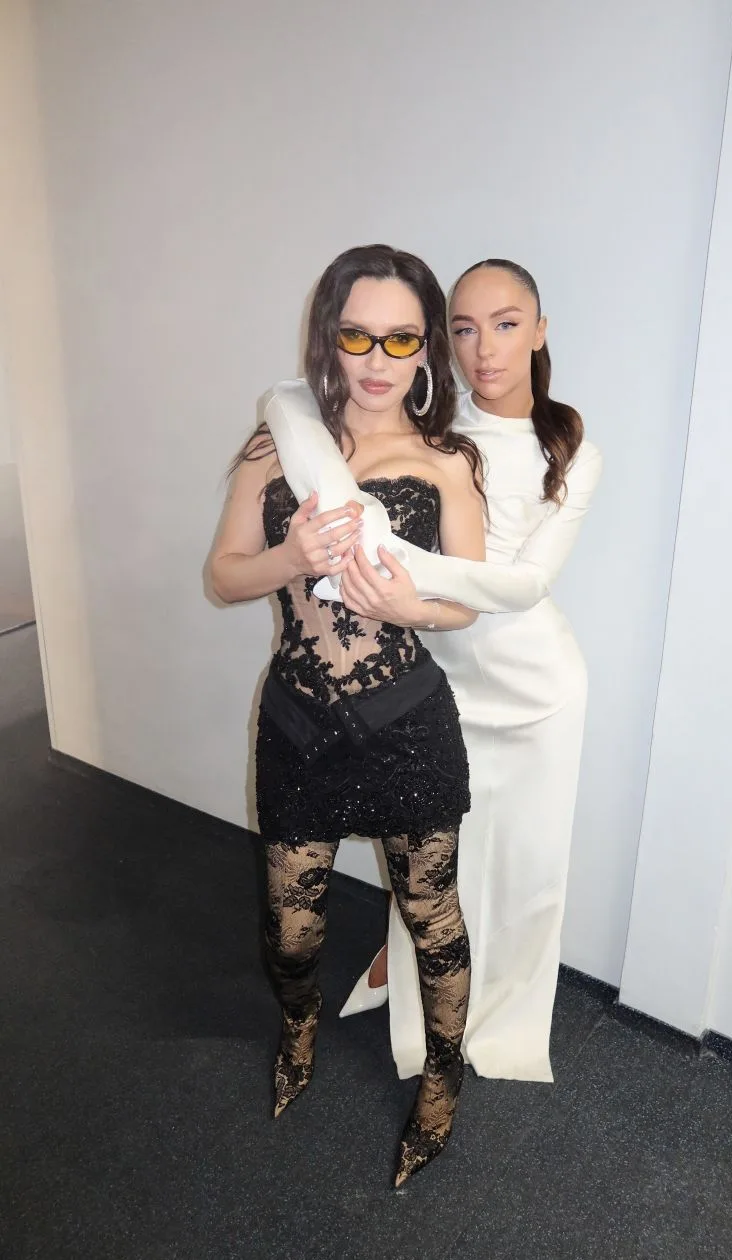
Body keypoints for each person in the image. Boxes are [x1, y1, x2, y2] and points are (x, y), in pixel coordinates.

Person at [264, 258, 602, 1083]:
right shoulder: (434, 433)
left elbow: (523, 585)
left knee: (524, 870)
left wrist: (403, 585)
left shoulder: (571, 447)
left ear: (540, 331)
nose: (485, 348)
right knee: (435, 864)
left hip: (533, 687)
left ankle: (507, 1015)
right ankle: (408, 981)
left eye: (507, 324)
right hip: (438, 683)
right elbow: (299, 407)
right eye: (465, 328)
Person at [210, 244, 485, 1187]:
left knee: (432, 919)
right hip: (298, 723)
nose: (376, 359)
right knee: (291, 931)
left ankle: (443, 1079)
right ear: (328, 336)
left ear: (426, 348)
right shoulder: (275, 448)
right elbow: (223, 576)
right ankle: (299, 1029)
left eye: (401, 337)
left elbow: (468, 602)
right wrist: (289, 558)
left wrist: (410, 606)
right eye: (357, 335)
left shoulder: (448, 461)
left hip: (409, 723)